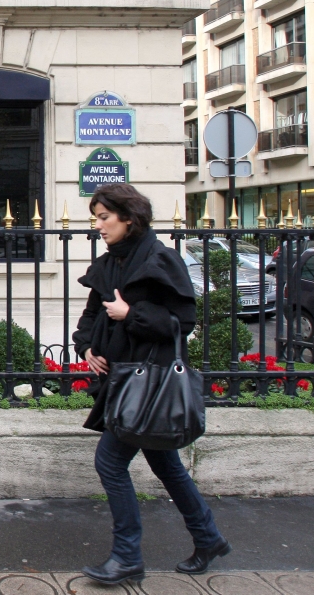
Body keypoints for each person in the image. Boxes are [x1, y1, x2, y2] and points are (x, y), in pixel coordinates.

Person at [72, 184, 231, 585]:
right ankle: (208, 538)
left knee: (110, 462)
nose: (98, 225)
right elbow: (91, 314)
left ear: (129, 218)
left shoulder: (161, 260)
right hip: (120, 378)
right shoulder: (109, 263)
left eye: (104, 217)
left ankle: (127, 557)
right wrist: (87, 347)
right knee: (166, 463)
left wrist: (131, 314)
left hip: (150, 382)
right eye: (96, 218)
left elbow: (183, 323)